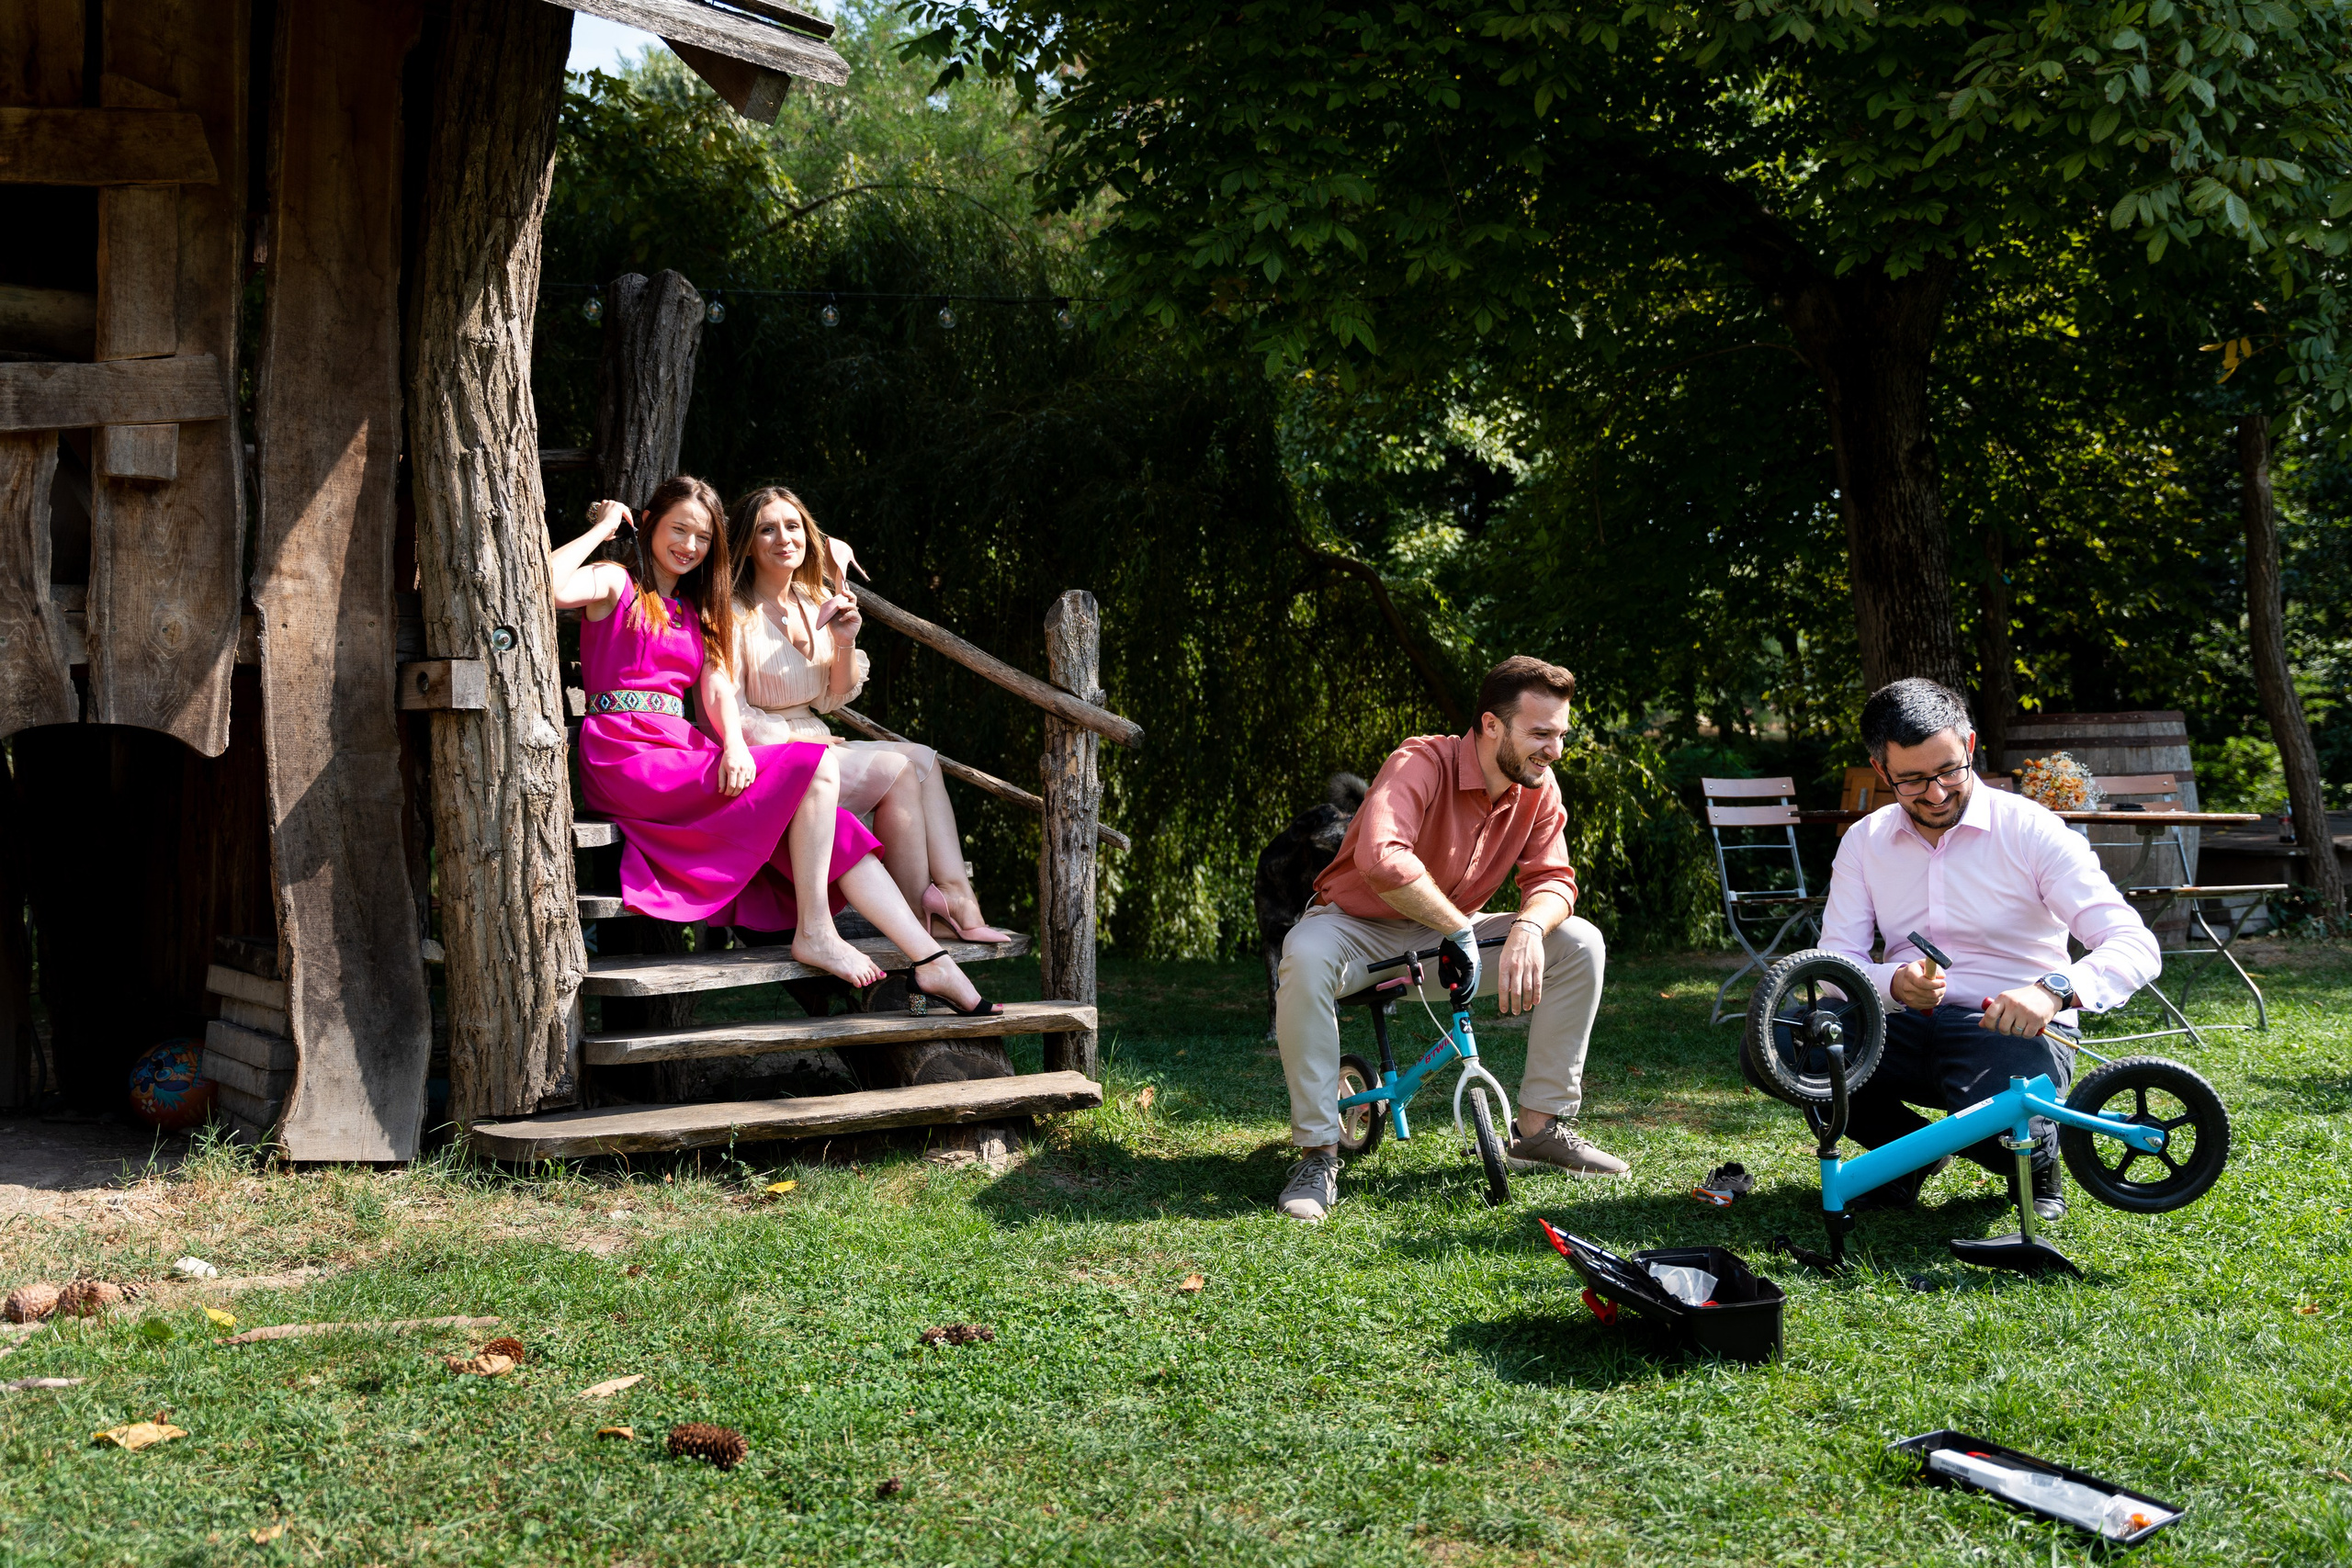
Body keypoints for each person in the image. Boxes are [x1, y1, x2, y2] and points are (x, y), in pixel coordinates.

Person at [548, 477, 999, 1015]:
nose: (689, 546)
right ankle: (816, 929)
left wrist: (735, 744)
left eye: (703, 537)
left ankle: (930, 961)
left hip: (685, 750)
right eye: (678, 530)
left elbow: (716, 687)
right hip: (626, 756)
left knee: (831, 814)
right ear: (648, 525)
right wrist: (602, 529)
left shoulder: (695, 610)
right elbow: (544, 585)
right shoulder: (613, 583)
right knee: (812, 770)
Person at [1272, 656, 1622, 1224]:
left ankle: (1540, 1128)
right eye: (1539, 734)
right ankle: (1319, 1154)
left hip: (1447, 939)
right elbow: (1382, 859)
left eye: (1560, 735)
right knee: (1305, 955)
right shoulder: (1420, 763)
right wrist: (1458, 925)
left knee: (1579, 941)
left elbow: (1555, 880)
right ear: (1490, 725)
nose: (1554, 750)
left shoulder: (1538, 786)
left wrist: (1530, 925)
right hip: (1358, 930)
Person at [1821, 678, 2160, 1221]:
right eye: (1911, 780)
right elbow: (1837, 965)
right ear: (1881, 770)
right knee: (1785, 1045)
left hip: (2010, 1028)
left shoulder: (2032, 830)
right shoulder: (1863, 843)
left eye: (1950, 771)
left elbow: (2134, 942)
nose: (1935, 794)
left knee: (2003, 1133)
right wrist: (1892, 983)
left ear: (1971, 747)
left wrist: (2054, 990)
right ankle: (1904, 1158)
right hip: (1903, 1024)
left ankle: (2037, 1165)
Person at [724, 485, 1011, 944]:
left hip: (814, 740)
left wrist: (843, 640)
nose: (784, 538)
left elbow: (833, 697)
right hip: (772, 757)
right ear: (747, 542)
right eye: (767, 529)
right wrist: (801, 743)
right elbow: (731, 712)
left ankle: (956, 897)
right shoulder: (733, 610)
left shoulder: (812, 597)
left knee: (923, 759)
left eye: (793, 526)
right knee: (899, 770)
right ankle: (918, 925)